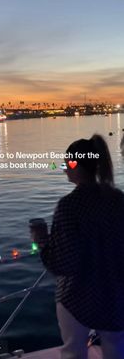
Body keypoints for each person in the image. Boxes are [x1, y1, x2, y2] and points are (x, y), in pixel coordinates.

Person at [32, 134, 124, 359]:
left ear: (75, 164)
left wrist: (41, 239)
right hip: (116, 294)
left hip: (77, 296)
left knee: (74, 352)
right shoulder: (118, 199)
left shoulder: (69, 206)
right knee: (115, 350)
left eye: (66, 163)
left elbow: (61, 263)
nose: (64, 168)